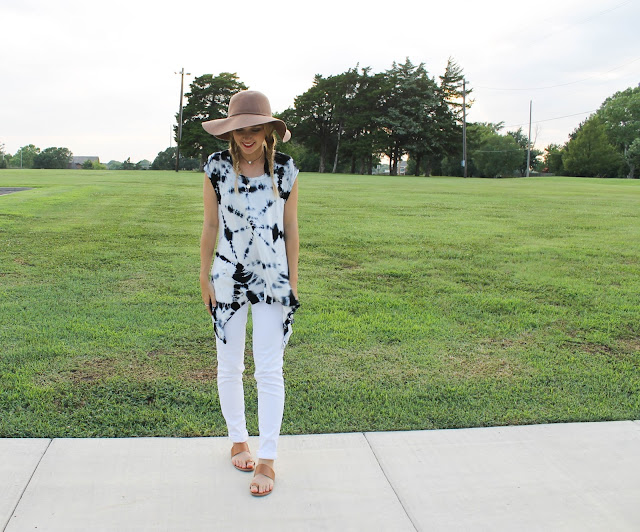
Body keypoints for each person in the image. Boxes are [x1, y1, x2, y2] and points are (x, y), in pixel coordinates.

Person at [199, 90, 299, 497]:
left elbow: (291, 229)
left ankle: (268, 458)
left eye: (255, 129)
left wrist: (293, 280)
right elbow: (210, 225)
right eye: (240, 129)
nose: (247, 136)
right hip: (227, 275)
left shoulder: (286, 169)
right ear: (230, 131)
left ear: (268, 131)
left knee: (269, 369)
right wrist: (203, 275)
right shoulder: (216, 167)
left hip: (273, 279)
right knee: (229, 366)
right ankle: (238, 440)